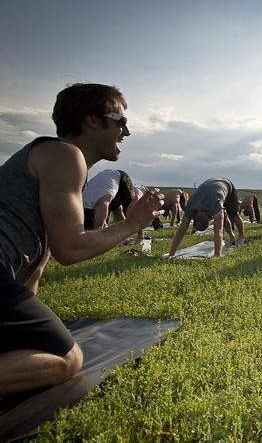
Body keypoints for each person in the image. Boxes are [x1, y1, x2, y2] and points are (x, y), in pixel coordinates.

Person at [0, 83, 164, 396]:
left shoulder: (56, 159)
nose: (126, 132)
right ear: (92, 120)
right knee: (67, 360)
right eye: (120, 121)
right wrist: (131, 224)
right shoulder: (64, 154)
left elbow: (43, 253)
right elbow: (70, 247)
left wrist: (31, 316)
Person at [168, 178, 244, 257]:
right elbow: (181, 230)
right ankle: (232, 236)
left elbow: (218, 231)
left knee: (234, 216)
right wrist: (171, 254)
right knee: (223, 216)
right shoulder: (191, 206)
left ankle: (241, 236)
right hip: (212, 187)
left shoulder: (215, 206)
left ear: (210, 219)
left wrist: (217, 255)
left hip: (227, 186)